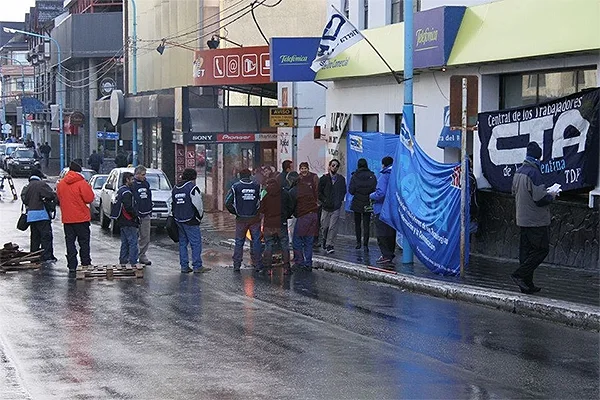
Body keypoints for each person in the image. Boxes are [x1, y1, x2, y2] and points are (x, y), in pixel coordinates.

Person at [511, 142, 557, 294]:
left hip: (522, 218)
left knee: (526, 252)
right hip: (536, 220)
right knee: (541, 250)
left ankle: (527, 285)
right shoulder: (534, 173)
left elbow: (513, 192)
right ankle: (519, 275)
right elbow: (539, 198)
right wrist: (551, 195)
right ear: (538, 156)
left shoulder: (519, 172)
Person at [56, 161, 95, 273]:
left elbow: (59, 197)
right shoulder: (82, 183)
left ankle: (72, 265)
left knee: (70, 242)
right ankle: (85, 263)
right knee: (84, 242)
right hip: (81, 218)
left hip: (67, 219)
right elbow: (89, 198)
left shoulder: (61, 183)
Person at [172, 168, 209, 273]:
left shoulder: (176, 188)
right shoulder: (192, 188)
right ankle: (197, 266)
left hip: (179, 219)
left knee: (183, 243)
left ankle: (184, 266)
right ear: (194, 177)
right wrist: (199, 217)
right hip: (191, 220)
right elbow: (198, 205)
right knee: (195, 243)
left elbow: (172, 203)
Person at [225, 168, 262, 272]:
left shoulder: (236, 187)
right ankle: (258, 264)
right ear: (250, 175)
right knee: (256, 241)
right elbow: (261, 201)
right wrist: (257, 212)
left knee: (239, 242)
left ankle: (237, 264)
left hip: (241, 219)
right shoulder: (257, 186)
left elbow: (227, 202)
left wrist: (235, 212)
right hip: (254, 218)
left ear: (239, 176)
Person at [20, 169, 56, 262]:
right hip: (41, 215)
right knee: (46, 236)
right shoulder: (41, 185)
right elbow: (50, 195)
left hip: (31, 216)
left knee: (35, 237)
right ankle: (47, 256)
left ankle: (34, 256)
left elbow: (25, 200)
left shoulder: (27, 186)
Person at [259, 176, 293, 274]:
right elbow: (290, 206)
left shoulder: (266, 195)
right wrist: (286, 215)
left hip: (269, 224)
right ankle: (287, 268)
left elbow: (262, 210)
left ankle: (268, 268)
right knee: (284, 245)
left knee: (268, 245)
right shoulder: (284, 194)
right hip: (281, 223)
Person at [291, 162, 319, 271]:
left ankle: (299, 262)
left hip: (304, 216)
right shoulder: (307, 187)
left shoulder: (294, 190)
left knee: (297, 240)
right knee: (308, 241)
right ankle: (308, 263)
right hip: (314, 214)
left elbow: (291, 205)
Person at [369, 156, 396, 266]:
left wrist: (371, 195)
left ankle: (386, 255)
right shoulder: (396, 175)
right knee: (391, 233)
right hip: (393, 209)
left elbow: (381, 193)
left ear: (383, 164)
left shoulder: (384, 176)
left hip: (381, 209)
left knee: (382, 234)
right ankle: (390, 254)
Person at [318, 159, 346, 254]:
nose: (334, 167)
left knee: (332, 227)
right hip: (326, 207)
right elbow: (319, 192)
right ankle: (325, 239)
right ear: (329, 166)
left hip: (336, 206)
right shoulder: (324, 178)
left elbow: (343, 191)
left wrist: (339, 201)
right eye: (333, 165)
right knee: (324, 226)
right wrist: (324, 200)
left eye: (336, 166)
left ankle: (330, 244)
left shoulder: (341, 179)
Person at [110, 172, 139, 267]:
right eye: (132, 179)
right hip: (128, 220)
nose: (133, 181)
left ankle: (123, 261)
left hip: (121, 220)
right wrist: (136, 216)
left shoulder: (120, 190)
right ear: (127, 180)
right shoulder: (127, 192)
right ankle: (133, 262)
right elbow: (128, 207)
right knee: (133, 242)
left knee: (125, 242)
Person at [349, 158, 377, 250]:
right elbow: (374, 189)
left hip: (357, 202)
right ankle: (365, 244)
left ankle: (358, 243)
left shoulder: (354, 176)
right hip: (367, 202)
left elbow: (351, 191)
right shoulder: (372, 176)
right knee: (366, 224)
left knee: (357, 224)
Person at [132, 165, 152, 265]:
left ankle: (142, 255)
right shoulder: (133, 185)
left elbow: (149, 197)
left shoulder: (146, 184)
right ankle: (132, 256)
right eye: (142, 174)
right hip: (135, 215)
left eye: (145, 174)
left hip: (146, 213)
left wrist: (149, 210)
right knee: (133, 237)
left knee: (145, 236)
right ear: (137, 174)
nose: (144, 176)